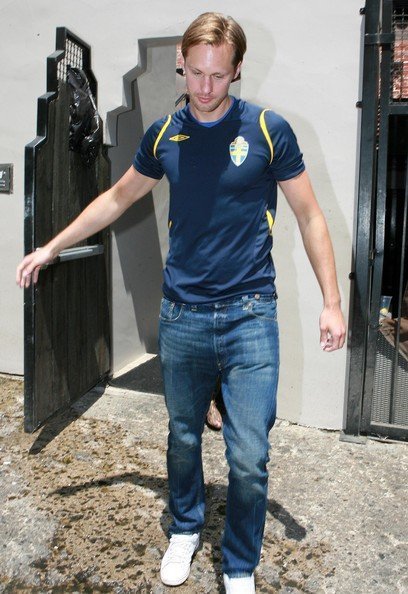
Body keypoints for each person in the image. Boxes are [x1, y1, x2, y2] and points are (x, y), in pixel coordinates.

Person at [16, 12, 346, 594]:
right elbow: (117, 198)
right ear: (182, 64)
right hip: (183, 315)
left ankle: (238, 564)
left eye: (218, 75)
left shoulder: (268, 130)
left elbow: (310, 215)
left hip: (250, 314)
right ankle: (186, 527)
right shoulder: (165, 134)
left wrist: (332, 301)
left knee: (249, 455)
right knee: (184, 437)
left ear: (237, 69)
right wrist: (51, 246)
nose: (205, 87)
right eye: (195, 73)